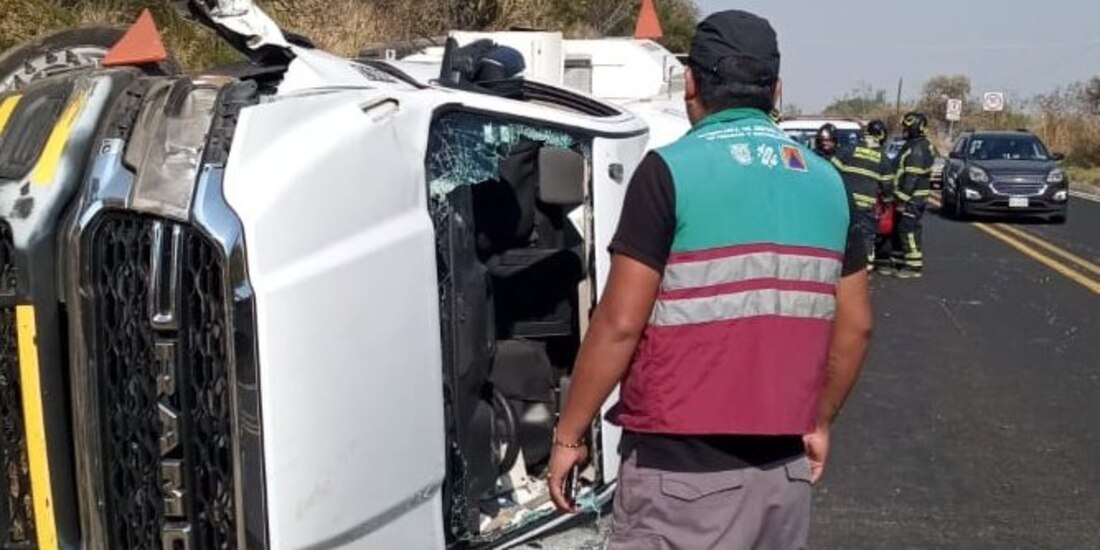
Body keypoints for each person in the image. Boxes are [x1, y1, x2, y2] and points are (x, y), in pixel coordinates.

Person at [546, 10, 873, 549]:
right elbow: (856, 326)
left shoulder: (669, 171)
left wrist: (569, 434)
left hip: (680, 478)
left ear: (691, 82)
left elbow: (620, 324)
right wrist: (818, 420)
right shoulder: (826, 182)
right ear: (777, 89)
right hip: (783, 476)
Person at [830, 120, 894, 271]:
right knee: (866, 237)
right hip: (866, 207)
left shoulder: (848, 150)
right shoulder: (882, 158)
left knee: (843, 234)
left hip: (845, 204)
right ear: (882, 135)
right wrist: (887, 201)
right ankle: (865, 270)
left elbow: (830, 170)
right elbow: (888, 186)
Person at [891, 112, 935, 278]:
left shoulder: (916, 149)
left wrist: (902, 198)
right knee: (906, 228)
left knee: (907, 228)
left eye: (907, 128)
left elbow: (912, 177)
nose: (905, 131)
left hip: (912, 198)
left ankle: (913, 266)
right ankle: (902, 261)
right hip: (915, 197)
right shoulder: (916, 144)